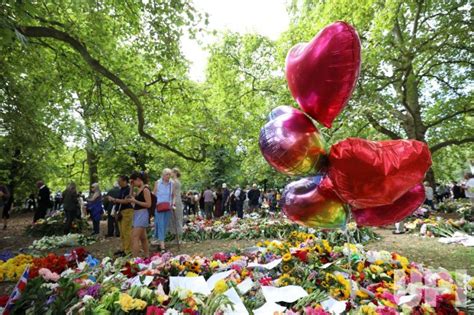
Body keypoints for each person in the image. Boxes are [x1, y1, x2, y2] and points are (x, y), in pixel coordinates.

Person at [110, 175, 134, 255]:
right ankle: (124, 248)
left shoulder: (128, 189)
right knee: (122, 232)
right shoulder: (121, 189)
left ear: (125, 181)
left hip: (127, 211)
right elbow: (119, 201)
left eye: (120, 181)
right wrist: (116, 211)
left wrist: (114, 199)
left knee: (126, 231)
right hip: (120, 212)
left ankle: (128, 251)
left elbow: (127, 201)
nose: (118, 183)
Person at [129, 171, 151, 257]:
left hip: (142, 214)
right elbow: (130, 197)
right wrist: (131, 187)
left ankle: (135, 258)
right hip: (137, 213)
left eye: (133, 182)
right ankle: (147, 255)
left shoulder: (145, 190)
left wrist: (135, 201)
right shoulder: (139, 190)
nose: (133, 184)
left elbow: (148, 204)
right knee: (143, 238)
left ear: (138, 179)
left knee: (134, 237)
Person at [153, 168, 174, 251]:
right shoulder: (157, 183)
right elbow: (154, 195)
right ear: (163, 175)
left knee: (164, 225)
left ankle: (159, 241)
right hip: (158, 207)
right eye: (167, 174)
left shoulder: (172, 183)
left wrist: (173, 204)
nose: (168, 176)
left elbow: (173, 195)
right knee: (160, 224)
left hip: (168, 207)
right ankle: (162, 246)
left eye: (169, 174)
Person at [169, 168, 183, 237]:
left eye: (171, 172)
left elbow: (171, 192)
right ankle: (177, 236)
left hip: (175, 201)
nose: (170, 174)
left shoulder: (173, 182)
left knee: (175, 218)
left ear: (175, 173)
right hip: (178, 200)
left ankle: (178, 237)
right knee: (177, 218)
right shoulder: (177, 181)